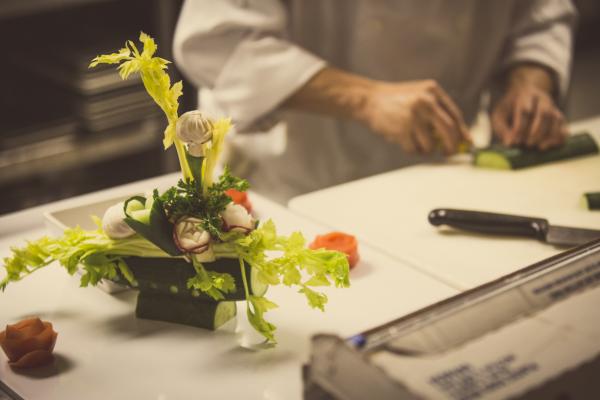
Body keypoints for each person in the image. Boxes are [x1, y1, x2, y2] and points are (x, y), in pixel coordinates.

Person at [173, 0, 576, 203]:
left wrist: (530, 79)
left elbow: (541, 12)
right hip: (298, 181)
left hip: (448, 172)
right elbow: (217, 42)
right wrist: (367, 99)